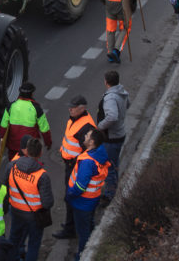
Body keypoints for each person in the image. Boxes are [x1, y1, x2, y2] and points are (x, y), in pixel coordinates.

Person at [53, 95, 96, 241]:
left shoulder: (86, 127)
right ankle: (73, 226)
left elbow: (90, 150)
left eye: (73, 107)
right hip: (70, 165)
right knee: (71, 197)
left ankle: (72, 228)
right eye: (70, 106)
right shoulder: (74, 118)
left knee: (71, 197)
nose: (70, 109)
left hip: (76, 167)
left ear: (82, 108)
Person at [4, 138, 54, 261]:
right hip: (34, 217)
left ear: (26, 151)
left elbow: (5, 187)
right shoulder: (42, 175)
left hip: (16, 211)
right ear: (40, 153)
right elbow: (47, 203)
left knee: (14, 239)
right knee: (34, 244)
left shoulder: (12, 166)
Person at [66, 129, 109, 260]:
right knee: (89, 225)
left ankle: (82, 255)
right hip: (92, 200)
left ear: (92, 142)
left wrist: (70, 194)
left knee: (83, 232)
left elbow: (80, 186)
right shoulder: (99, 154)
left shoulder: (87, 162)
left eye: (87, 136)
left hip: (82, 203)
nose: (85, 136)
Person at [97, 71, 129, 203]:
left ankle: (110, 194)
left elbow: (112, 116)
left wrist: (100, 126)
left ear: (106, 82)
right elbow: (128, 104)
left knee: (109, 166)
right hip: (120, 133)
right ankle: (114, 186)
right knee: (114, 163)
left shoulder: (110, 97)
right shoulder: (122, 92)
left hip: (111, 137)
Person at [0, 82, 52, 160]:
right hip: (30, 149)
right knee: (29, 168)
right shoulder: (36, 108)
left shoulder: (11, 107)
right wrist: (48, 143)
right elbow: (45, 129)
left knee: (14, 167)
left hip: (13, 146)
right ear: (32, 94)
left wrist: (3, 144)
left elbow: (3, 127)